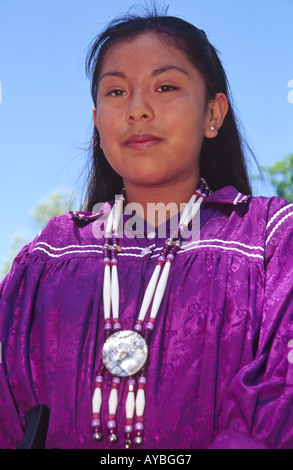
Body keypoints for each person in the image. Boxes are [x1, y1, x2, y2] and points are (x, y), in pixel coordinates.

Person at [0, 10, 293, 450]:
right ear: (98, 123)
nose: (137, 109)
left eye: (166, 86)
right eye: (117, 91)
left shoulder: (271, 240)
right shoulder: (49, 256)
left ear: (213, 113)